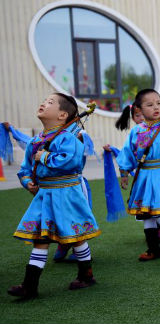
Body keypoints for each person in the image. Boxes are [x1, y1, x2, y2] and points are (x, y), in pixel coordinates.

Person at [8, 93, 101, 299]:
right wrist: (28, 183)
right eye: (44, 100)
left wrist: (45, 156)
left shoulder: (70, 138)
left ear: (62, 115)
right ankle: (29, 286)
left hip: (66, 194)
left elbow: (72, 161)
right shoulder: (35, 141)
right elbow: (25, 169)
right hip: (44, 196)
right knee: (41, 238)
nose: (43, 103)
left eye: (50, 102)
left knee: (76, 237)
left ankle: (86, 275)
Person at [117, 89, 160, 261]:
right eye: (150, 104)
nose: (156, 107)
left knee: (157, 210)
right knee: (145, 213)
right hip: (143, 177)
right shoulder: (136, 131)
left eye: (159, 103)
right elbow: (128, 152)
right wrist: (124, 172)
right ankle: (153, 249)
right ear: (138, 110)